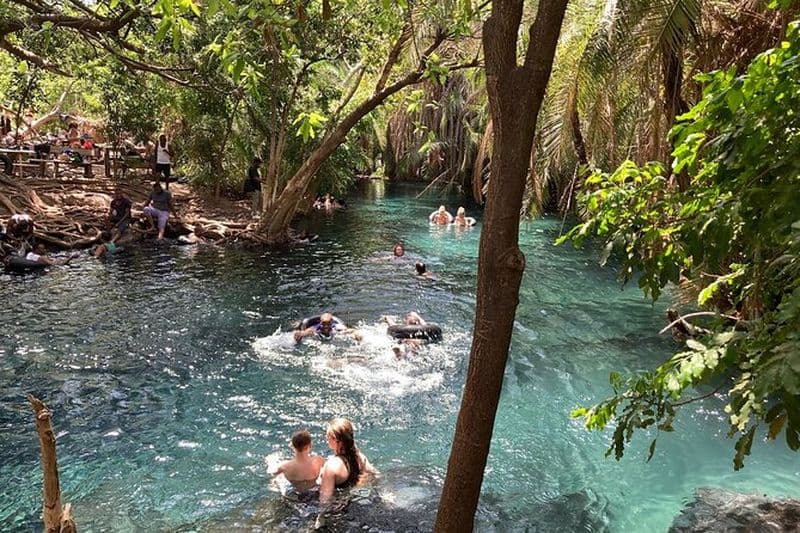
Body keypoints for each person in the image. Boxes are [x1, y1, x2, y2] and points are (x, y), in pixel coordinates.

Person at [319, 418, 378, 505]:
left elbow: (325, 500)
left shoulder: (332, 465)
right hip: (355, 502)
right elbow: (376, 475)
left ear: (335, 439)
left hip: (339, 509)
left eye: (328, 436)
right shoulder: (360, 458)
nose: (326, 439)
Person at [294, 312, 363, 343]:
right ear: (320, 322)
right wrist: (300, 334)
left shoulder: (336, 327)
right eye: (324, 324)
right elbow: (307, 331)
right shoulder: (315, 328)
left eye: (328, 324)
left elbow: (348, 330)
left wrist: (356, 334)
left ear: (331, 323)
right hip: (309, 324)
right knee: (298, 324)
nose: (326, 326)